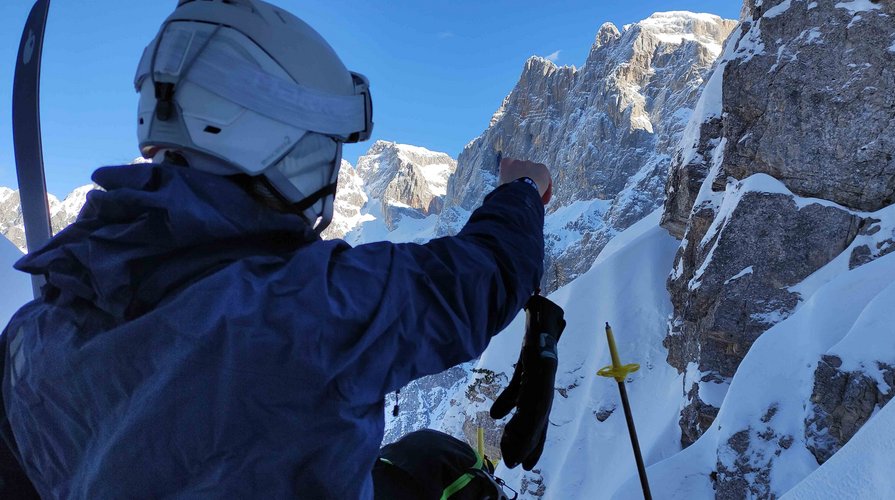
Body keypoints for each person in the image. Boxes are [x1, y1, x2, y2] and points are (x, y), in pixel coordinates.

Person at [0, 1, 561, 498]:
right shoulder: (305, 309)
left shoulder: (35, 328)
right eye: (319, 150)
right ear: (269, 139)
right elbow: (478, 277)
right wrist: (523, 188)